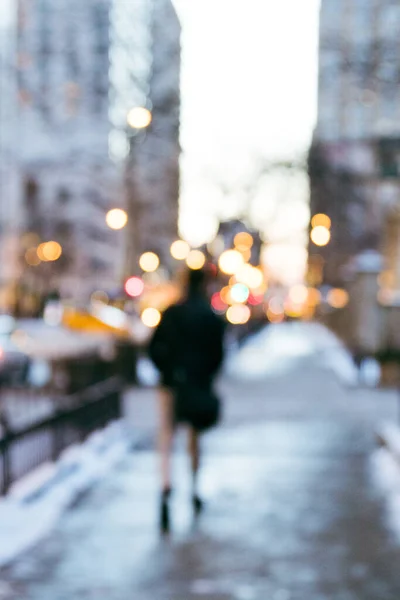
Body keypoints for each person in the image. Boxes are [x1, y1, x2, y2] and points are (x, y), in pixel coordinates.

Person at [149, 267, 225, 532]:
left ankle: (166, 488)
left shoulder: (172, 313)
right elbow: (218, 356)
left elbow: (154, 348)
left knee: (167, 437)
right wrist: (201, 377)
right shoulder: (210, 316)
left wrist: (170, 372)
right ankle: (193, 487)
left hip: (171, 385)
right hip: (197, 386)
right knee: (194, 438)